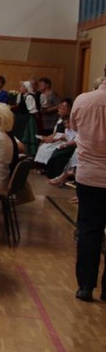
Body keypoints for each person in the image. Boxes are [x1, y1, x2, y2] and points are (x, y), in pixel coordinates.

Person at [68, 76, 106, 302]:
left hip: (89, 175)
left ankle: (85, 286)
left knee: (88, 230)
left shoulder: (83, 100)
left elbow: (75, 128)